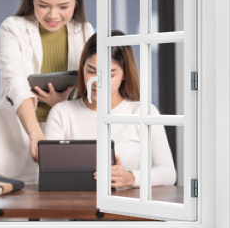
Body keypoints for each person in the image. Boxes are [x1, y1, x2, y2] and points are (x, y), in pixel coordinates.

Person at [0, 0, 94, 183]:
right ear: (31, 0)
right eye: (43, 5)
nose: (53, 15)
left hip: (65, 138)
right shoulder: (12, 28)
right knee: (10, 214)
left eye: (63, 7)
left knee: (57, 213)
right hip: (18, 138)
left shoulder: (85, 31)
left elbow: (91, 87)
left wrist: (63, 103)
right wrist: (36, 135)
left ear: (76, 2)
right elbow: (14, 83)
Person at [45, 31, 176, 188]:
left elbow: (168, 173)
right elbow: (48, 173)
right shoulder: (62, 113)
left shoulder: (143, 112)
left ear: (124, 75)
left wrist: (131, 177)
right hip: (75, 206)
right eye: (91, 71)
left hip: (127, 208)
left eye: (110, 74)